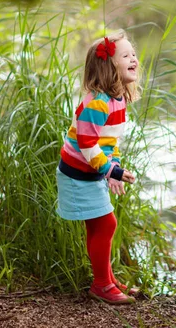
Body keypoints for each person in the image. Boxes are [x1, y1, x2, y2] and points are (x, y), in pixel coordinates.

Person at [56, 30, 141, 305]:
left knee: (99, 225)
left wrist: (113, 166)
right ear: (109, 65)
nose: (134, 59)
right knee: (106, 223)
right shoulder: (97, 103)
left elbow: (109, 142)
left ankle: (105, 279)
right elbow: (87, 144)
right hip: (77, 173)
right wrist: (111, 171)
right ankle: (102, 285)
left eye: (134, 55)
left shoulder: (118, 99)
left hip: (92, 171)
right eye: (126, 56)